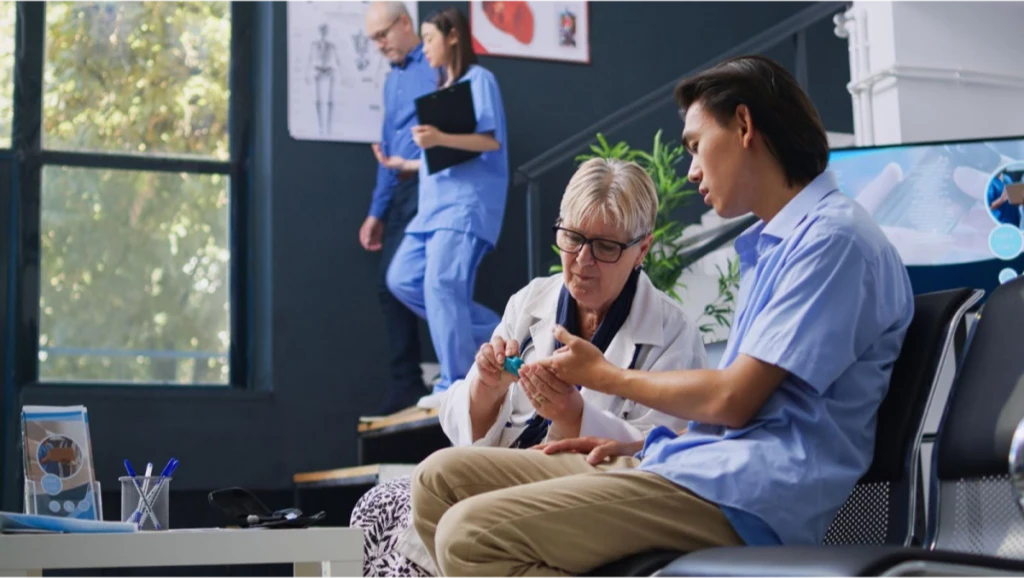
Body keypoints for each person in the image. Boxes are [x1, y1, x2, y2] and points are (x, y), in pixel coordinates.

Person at [409, 54, 915, 577]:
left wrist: (604, 378)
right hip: (697, 467)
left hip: (745, 496)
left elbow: (733, 400)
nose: (692, 168)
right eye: (574, 240)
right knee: (438, 481)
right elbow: (745, 410)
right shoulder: (781, 246)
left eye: (696, 146)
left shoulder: (833, 241)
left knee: (468, 536)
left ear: (744, 125)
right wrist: (636, 443)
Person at [350, 158, 707, 578]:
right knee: (373, 507)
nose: (582, 260)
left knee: (430, 503)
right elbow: (471, 423)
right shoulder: (533, 299)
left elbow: (660, 462)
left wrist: (573, 416)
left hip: (577, 488)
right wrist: (487, 386)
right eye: (571, 238)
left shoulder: (671, 333)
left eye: (605, 247)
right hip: (507, 464)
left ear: (641, 250)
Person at [384, 6, 507, 405]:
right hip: (432, 209)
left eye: (430, 38)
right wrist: (407, 163)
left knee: (442, 287)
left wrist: (437, 138)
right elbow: (443, 155)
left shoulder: (479, 80)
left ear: (453, 36)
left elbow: (490, 141)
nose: (426, 47)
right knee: (404, 279)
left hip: (464, 206)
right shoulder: (443, 92)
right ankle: (507, 335)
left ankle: (453, 382)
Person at [360, 0, 438, 414]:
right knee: (388, 287)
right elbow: (388, 148)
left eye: (382, 35)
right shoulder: (392, 82)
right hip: (401, 190)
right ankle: (407, 382)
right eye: (372, 39)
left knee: (427, 281)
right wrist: (377, 211)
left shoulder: (435, 63)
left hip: (433, 185)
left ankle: (460, 363)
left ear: (405, 22)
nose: (378, 46)